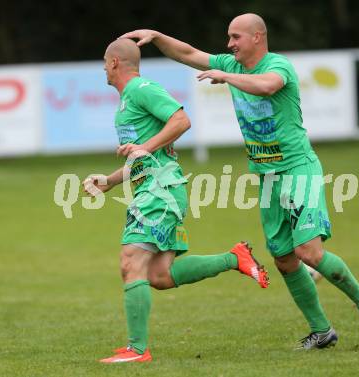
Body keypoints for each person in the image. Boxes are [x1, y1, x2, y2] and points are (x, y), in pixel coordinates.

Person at [119, 13, 359, 350]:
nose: (230, 44)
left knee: (308, 252)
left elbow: (268, 85)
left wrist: (227, 76)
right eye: (229, 37)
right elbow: (187, 54)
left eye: (236, 37)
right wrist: (156, 36)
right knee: (285, 259)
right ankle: (322, 330)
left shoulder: (278, 65)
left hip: (297, 170)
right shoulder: (233, 64)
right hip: (267, 176)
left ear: (257, 37)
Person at [83, 38, 269, 363]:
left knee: (131, 263)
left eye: (104, 60)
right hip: (155, 188)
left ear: (114, 62)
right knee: (158, 276)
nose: (102, 67)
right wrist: (110, 181)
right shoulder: (128, 100)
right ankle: (234, 257)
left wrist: (144, 147)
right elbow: (143, 155)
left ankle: (136, 350)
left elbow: (181, 120)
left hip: (160, 190)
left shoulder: (142, 88)